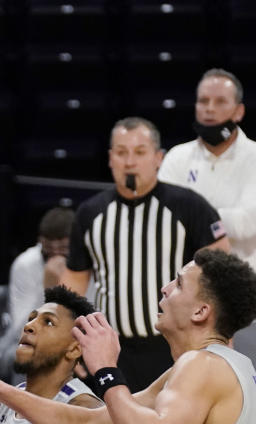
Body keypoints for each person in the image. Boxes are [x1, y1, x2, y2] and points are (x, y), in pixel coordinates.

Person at [0, 248, 256, 424]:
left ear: (201, 312)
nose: (165, 288)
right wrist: (0, 389)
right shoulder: (212, 365)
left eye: (179, 284)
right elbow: (87, 422)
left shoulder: (202, 364)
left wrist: (106, 370)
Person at [59, 116, 231, 391]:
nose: (130, 162)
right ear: (110, 158)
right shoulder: (90, 213)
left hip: (175, 348)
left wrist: (219, 338)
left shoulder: (189, 206)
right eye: (122, 152)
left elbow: (222, 276)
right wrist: (66, 343)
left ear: (158, 158)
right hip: (112, 352)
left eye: (140, 152)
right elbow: (72, 286)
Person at [158, 68, 256, 363]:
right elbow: (165, 223)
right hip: (185, 297)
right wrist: (218, 217)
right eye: (203, 101)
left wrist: (194, 214)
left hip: (244, 297)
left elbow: (247, 223)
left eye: (219, 101)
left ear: (238, 111)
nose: (209, 109)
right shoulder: (177, 157)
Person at [0, 285, 104, 423]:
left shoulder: (87, 410)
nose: (29, 326)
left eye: (49, 322)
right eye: (31, 318)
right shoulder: (3, 406)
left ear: (74, 349)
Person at [0, 206, 76, 382]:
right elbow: (23, 328)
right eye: (49, 248)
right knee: (31, 353)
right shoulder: (25, 264)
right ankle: (24, 409)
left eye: (63, 248)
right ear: (40, 242)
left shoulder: (90, 261)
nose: (56, 255)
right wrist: (50, 292)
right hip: (19, 343)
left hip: (77, 341)